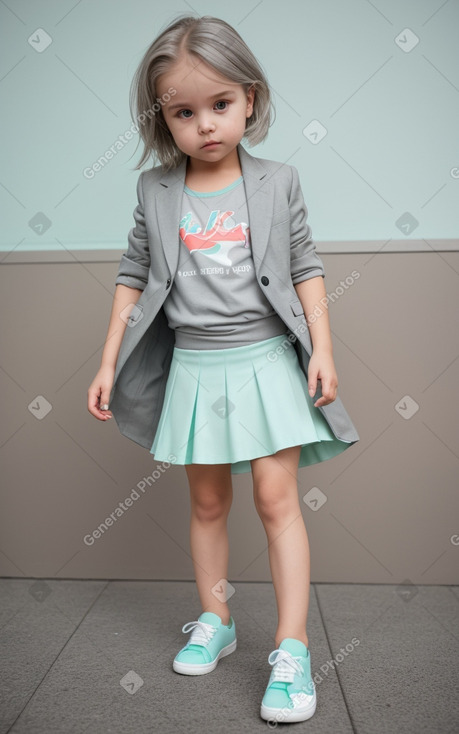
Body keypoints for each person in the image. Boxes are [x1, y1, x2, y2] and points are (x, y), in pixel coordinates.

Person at [87, 13, 360, 724]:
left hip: (267, 361)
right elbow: (132, 274)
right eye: (184, 112)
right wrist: (108, 361)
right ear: (163, 120)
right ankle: (217, 619)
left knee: (276, 502)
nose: (205, 124)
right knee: (207, 504)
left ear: (250, 99)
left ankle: (292, 649)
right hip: (195, 369)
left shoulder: (278, 181)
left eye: (220, 104)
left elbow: (305, 266)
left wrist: (322, 347)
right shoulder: (155, 192)